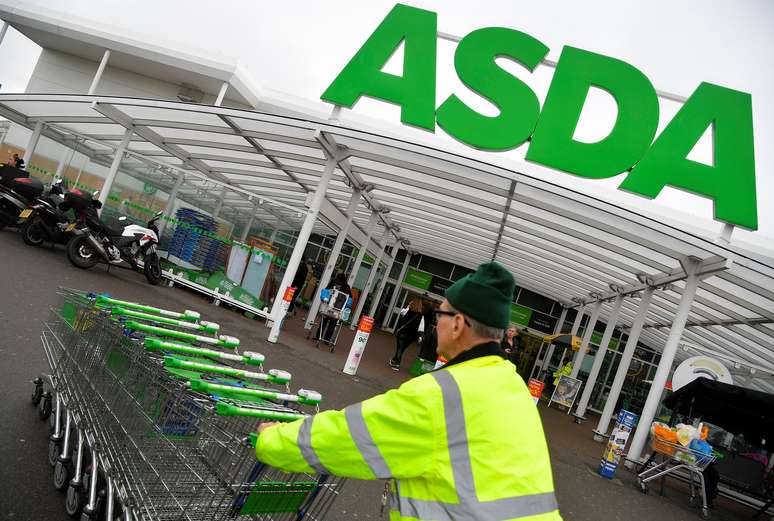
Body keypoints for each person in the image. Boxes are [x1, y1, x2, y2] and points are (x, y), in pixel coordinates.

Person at [255, 262, 562, 520]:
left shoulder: (440, 395)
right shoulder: (512, 387)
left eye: (440, 315)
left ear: (457, 324)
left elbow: (349, 436)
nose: (435, 325)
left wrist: (272, 439)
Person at [388, 298, 424, 370]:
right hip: (412, 336)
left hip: (403, 333)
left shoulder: (407, 311)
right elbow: (421, 327)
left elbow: (402, 311)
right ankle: (393, 360)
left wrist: (408, 305)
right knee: (401, 349)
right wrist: (420, 336)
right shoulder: (421, 316)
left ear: (412, 304)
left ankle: (397, 365)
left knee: (400, 349)